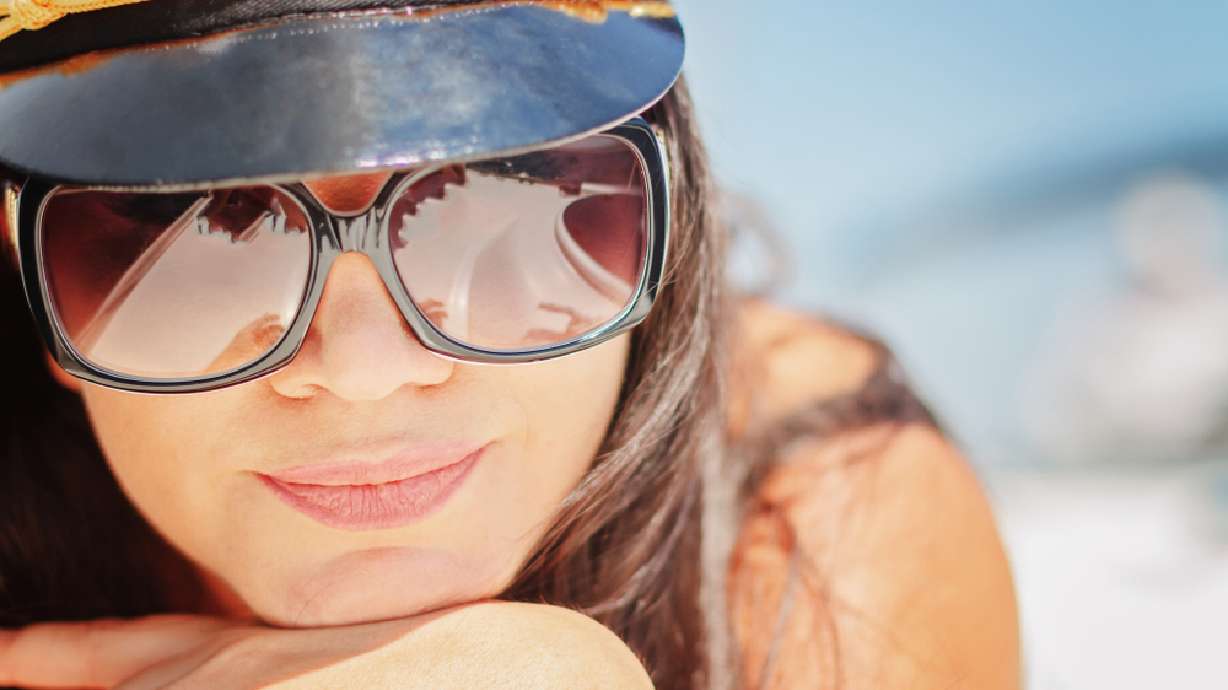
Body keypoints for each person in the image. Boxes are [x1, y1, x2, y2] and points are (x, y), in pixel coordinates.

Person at [0, 1, 1019, 688]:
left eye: (495, 203)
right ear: (23, 270)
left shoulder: (821, 523)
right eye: (199, 231)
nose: (364, 370)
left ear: (666, 217)